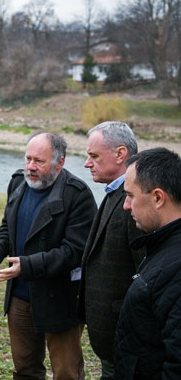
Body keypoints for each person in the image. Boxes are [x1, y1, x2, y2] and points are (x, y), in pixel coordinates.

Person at [0, 131, 95, 380]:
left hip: (60, 299)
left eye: (39, 161)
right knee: (25, 370)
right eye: (28, 158)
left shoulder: (78, 194)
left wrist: (27, 266)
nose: (30, 167)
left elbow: (75, 252)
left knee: (66, 373)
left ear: (59, 162)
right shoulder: (18, 182)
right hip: (20, 297)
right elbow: (9, 227)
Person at [78, 121, 144, 380]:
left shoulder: (135, 203)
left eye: (93, 156)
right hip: (111, 337)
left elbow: (145, 272)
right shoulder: (114, 193)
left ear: (120, 154)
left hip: (125, 336)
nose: (87, 163)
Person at [114, 148, 181, 379]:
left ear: (158, 198)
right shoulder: (162, 244)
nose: (125, 205)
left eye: (130, 195)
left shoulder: (176, 267)